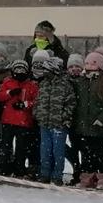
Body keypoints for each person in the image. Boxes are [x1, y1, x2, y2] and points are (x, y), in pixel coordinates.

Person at [72, 50, 103, 188]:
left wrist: (102, 118)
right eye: (87, 63)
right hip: (84, 125)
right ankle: (87, 176)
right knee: (87, 153)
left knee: (102, 154)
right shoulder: (81, 81)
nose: (89, 66)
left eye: (93, 63)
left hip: (100, 126)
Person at [32, 55, 76, 184]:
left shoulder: (65, 85)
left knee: (58, 152)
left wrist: (64, 118)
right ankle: (45, 174)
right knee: (45, 150)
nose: (44, 72)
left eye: (47, 70)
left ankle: (57, 175)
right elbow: (38, 101)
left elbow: (71, 103)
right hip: (44, 123)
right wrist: (37, 113)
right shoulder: (44, 84)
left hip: (59, 125)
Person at [0, 59, 36, 177]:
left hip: (24, 122)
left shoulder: (31, 85)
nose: (19, 72)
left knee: (21, 148)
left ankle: (19, 169)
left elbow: (36, 101)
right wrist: (10, 93)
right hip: (8, 120)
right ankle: (2, 167)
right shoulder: (8, 82)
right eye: (17, 70)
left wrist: (25, 105)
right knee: (5, 146)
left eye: (22, 70)